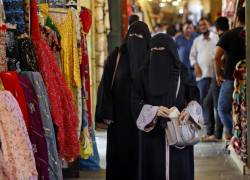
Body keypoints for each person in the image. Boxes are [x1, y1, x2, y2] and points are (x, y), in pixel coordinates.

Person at [132, 33, 202, 180]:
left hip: (179, 132)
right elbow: (135, 101)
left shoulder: (182, 71)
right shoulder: (143, 74)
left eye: (162, 49)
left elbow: (194, 96)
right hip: (152, 136)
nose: (158, 53)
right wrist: (154, 110)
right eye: (155, 49)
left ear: (171, 50)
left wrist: (189, 110)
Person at [100, 21, 151, 180]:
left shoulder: (151, 58)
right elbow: (105, 85)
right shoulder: (117, 56)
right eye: (132, 35)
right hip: (119, 119)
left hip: (143, 119)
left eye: (140, 36)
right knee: (120, 157)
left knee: (142, 157)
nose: (135, 39)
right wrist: (107, 112)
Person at [214, 7, 246, 140]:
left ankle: (237, 136)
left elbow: (216, 57)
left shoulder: (229, 34)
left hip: (231, 78)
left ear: (237, 18)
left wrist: (218, 74)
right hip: (245, 77)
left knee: (223, 108)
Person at [200, 17, 230, 142]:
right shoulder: (227, 35)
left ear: (216, 28)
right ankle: (212, 132)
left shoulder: (221, 37)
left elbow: (218, 58)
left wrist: (218, 74)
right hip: (215, 75)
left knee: (219, 106)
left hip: (219, 75)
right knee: (207, 103)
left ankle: (218, 134)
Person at [190, 17, 219, 141]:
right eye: (200, 24)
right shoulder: (197, 41)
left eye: (204, 24)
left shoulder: (216, 38)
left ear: (209, 25)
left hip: (215, 77)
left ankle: (218, 132)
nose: (202, 26)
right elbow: (192, 56)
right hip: (202, 77)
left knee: (215, 104)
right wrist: (195, 65)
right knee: (205, 105)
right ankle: (209, 131)